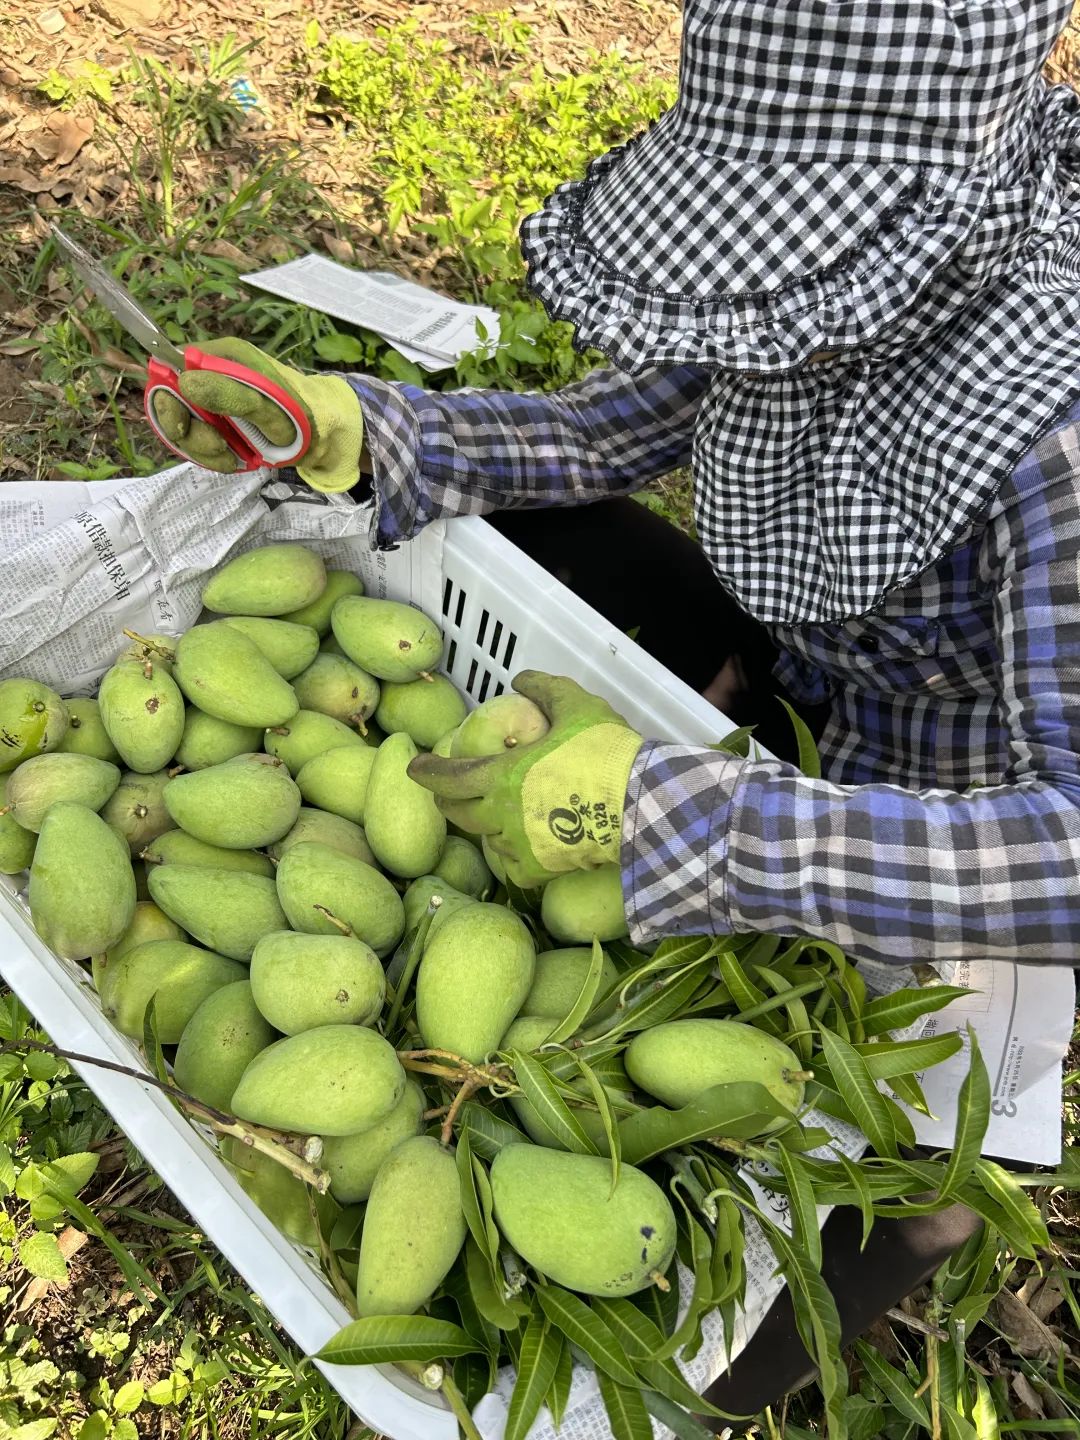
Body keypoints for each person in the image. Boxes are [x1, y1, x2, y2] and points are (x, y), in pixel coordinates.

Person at [149, 0, 1080, 1418]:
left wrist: (684, 820)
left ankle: (711, 1394)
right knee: (564, 534)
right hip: (792, 688)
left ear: (935, 223)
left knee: (915, 1192)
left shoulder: (1052, 437)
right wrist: (363, 427)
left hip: (947, 833)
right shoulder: (820, 284)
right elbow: (602, 430)